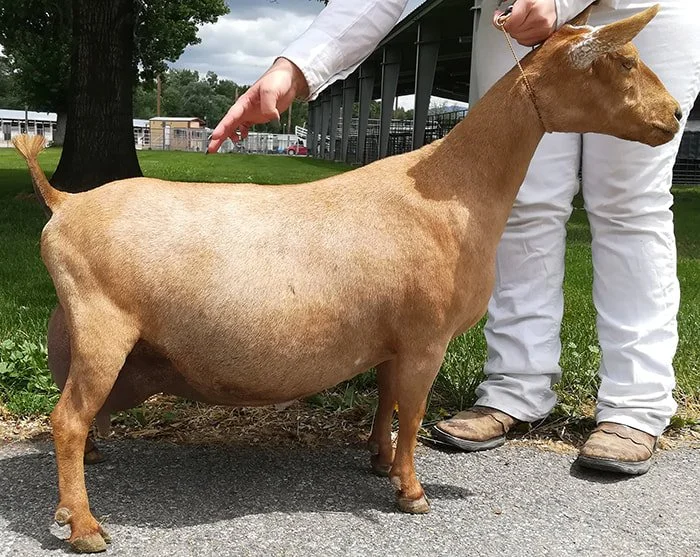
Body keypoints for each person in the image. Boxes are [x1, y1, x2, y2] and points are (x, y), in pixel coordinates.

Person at [208, 0, 700, 475]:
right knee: (522, 199)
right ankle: (516, 386)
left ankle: (635, 403)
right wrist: (297, 66)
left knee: (628, 200)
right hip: (514, 14)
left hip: (640, 6)